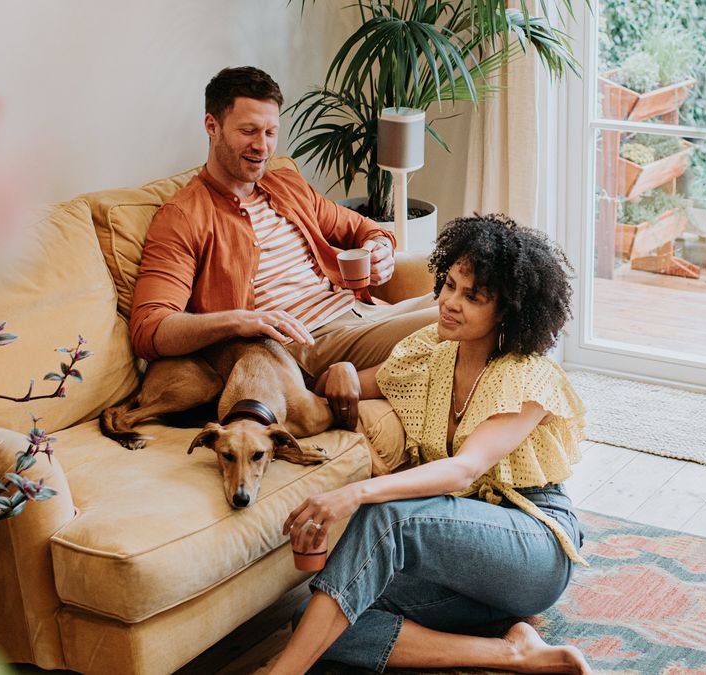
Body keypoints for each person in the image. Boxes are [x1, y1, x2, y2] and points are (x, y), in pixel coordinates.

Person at [270, 215, 592, 674]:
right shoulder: (430, 353)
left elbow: (464, 470)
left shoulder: (527, 375)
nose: (448, 302)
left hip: (531, 546)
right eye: (449, 285)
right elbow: (351, 385)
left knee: (385, 517)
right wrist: (338, 372)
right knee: (321, 617)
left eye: (471, 296)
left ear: (506, 311)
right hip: (459, 559)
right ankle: (511, 652)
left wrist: (354, 493)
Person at [129, 66, 437, 388]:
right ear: (212, 126)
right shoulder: (184, 216)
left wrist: (381, 250)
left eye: (270, 132)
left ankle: (356, 384)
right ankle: (339, 384)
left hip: (362, 312)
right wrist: (240, 321)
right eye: (248, 131)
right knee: (457, 322)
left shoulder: (286, 184)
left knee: (471, 302)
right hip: (305, 343)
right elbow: (150, 329)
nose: (262, 146)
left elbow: (365, 228)